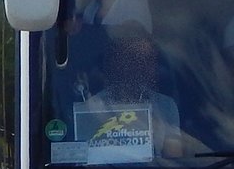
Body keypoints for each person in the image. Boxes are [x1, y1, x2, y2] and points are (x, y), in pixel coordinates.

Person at [75, 24, 182, 161]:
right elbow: (83, 164)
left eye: (149, 60)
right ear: (116, 63)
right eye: (135, 59)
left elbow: (175, 162)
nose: (144, 68)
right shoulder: (90, 110)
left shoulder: (165, 105)